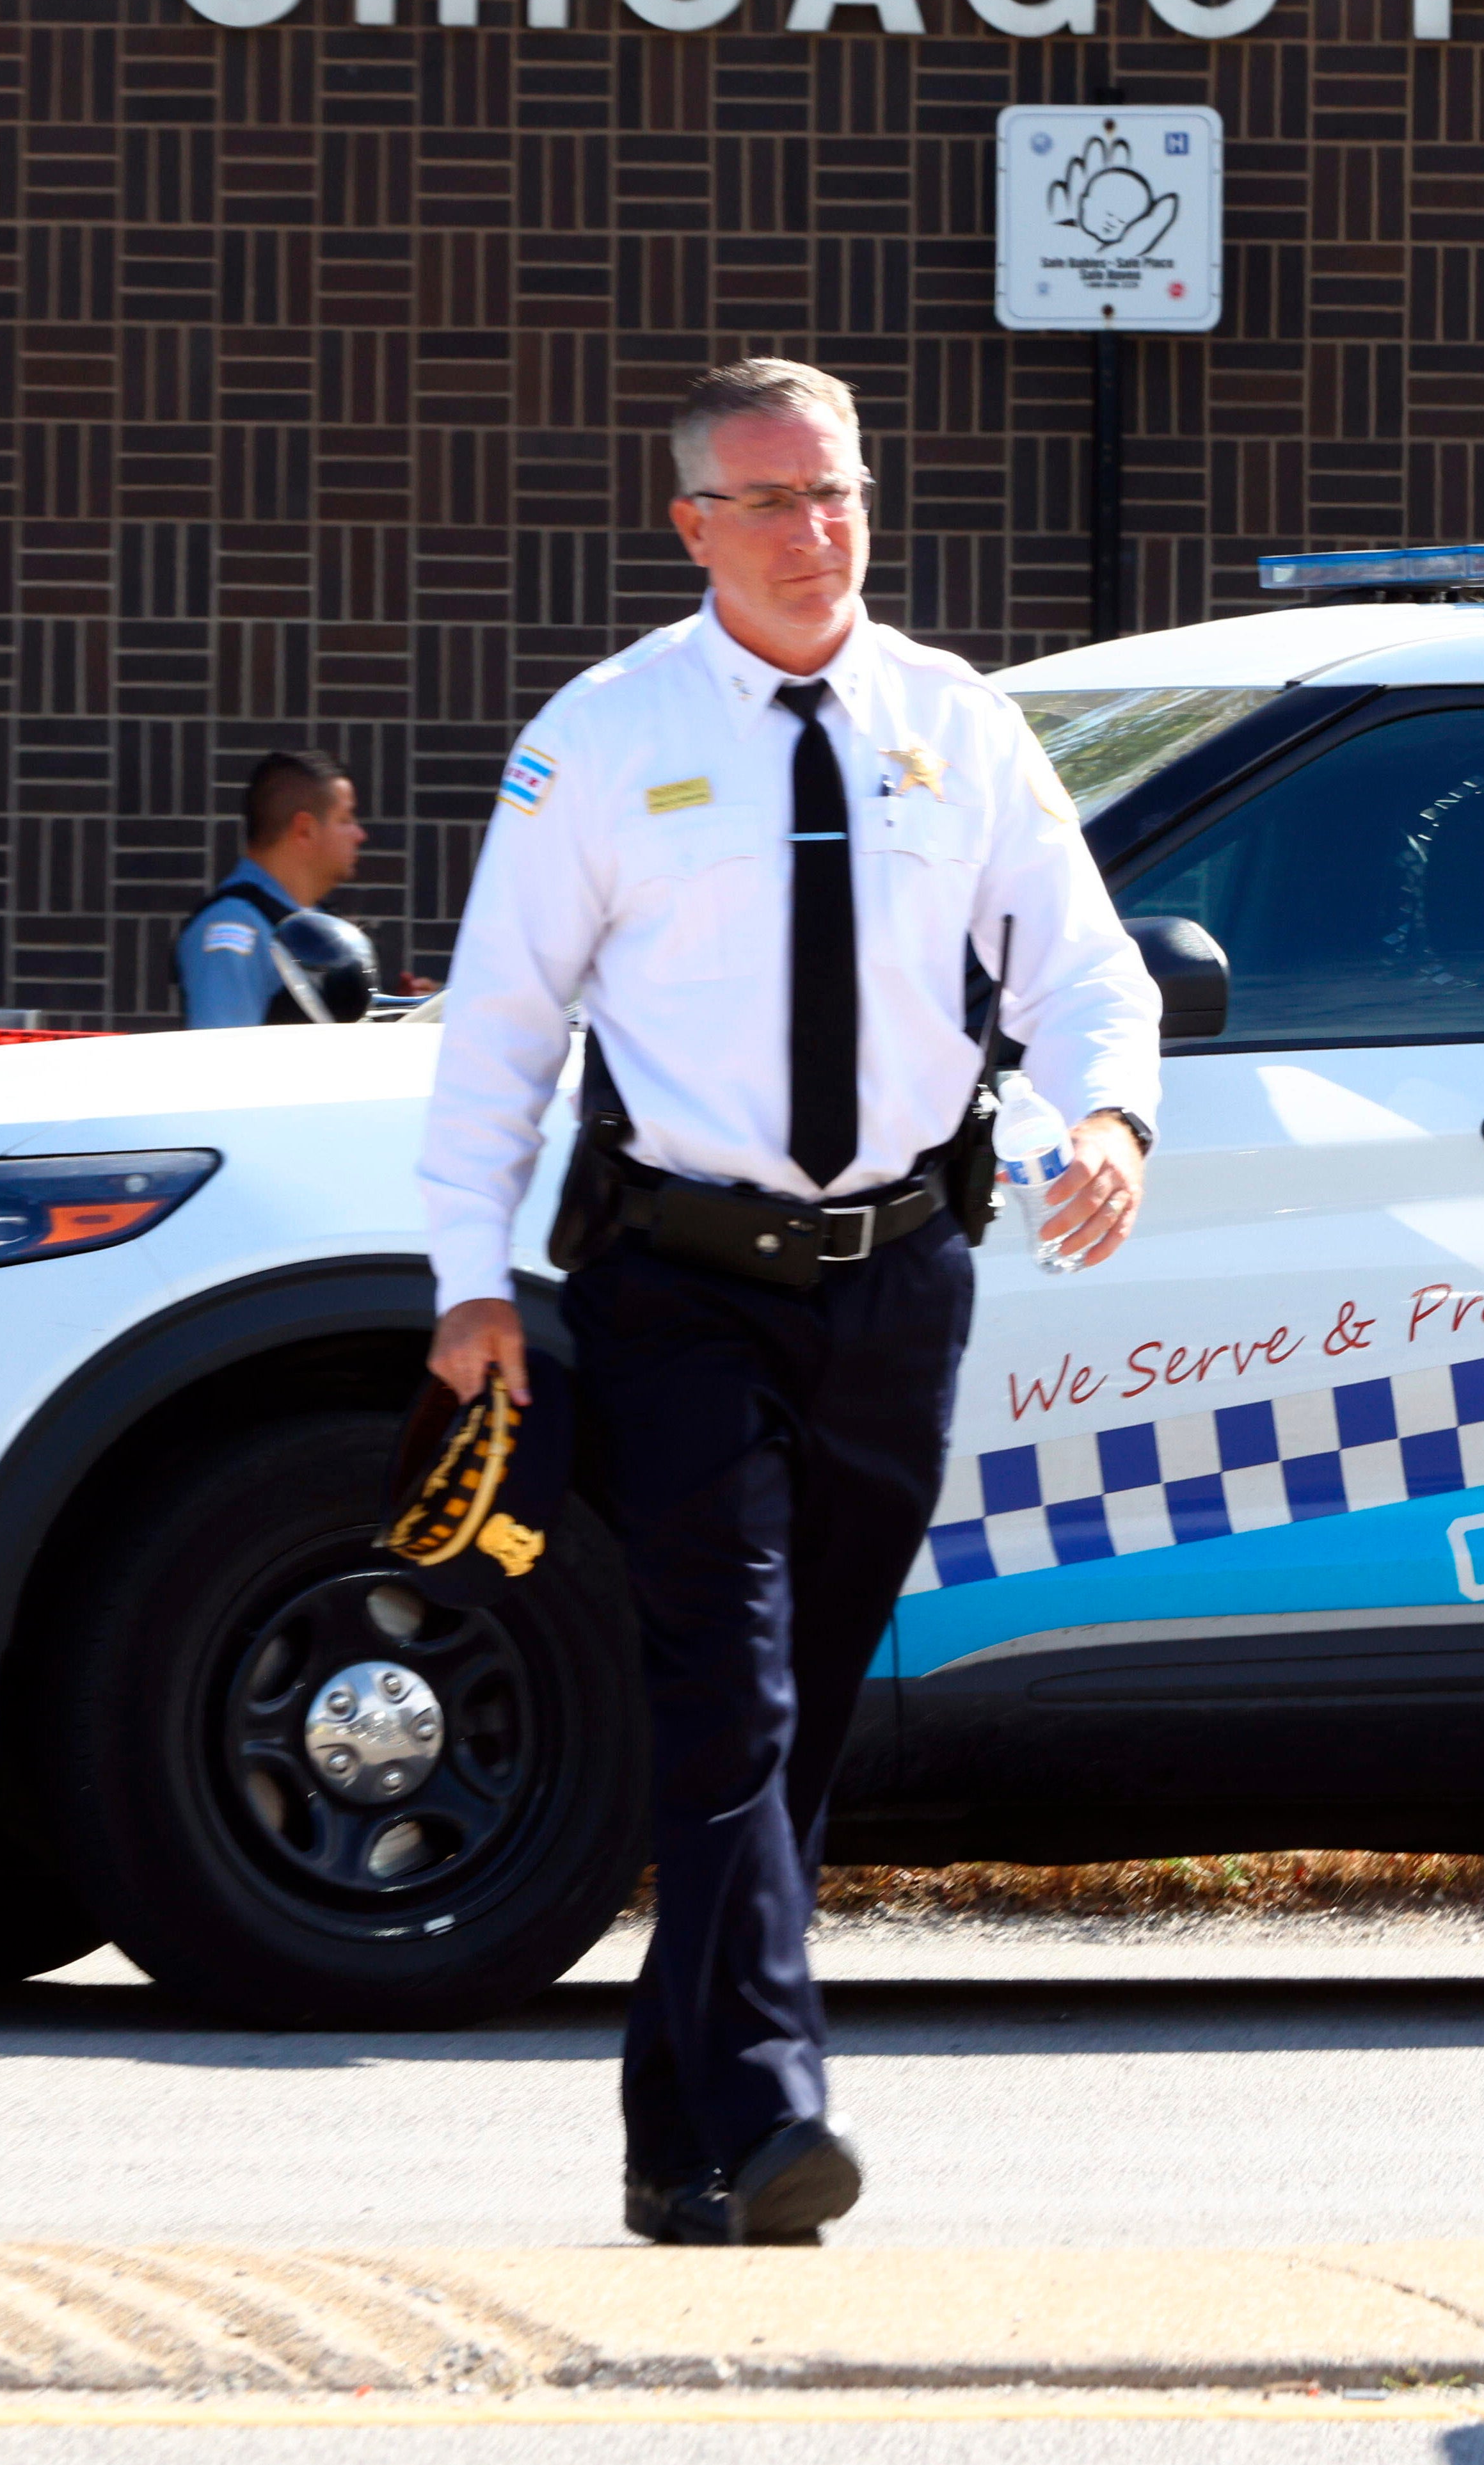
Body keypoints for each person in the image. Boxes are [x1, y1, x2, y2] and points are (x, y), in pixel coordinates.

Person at [419, 358, 1161, 2247]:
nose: (815, 530)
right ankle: (772, 2109)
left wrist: (1110, 1112)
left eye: (836, 490)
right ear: (691, 525)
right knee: (727, 1689)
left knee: (795, 1714)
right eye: (769, 500)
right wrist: (469, 1276)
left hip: (901, 1280)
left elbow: (1084, 968)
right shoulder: (603, 735)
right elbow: (502, 1020)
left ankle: (676, 2135)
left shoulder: (954, 721)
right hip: (681, 1280)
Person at [177, 750, 366, 1027]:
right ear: (306, 830)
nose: (360, 835)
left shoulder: (318, 923)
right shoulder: (232, 929)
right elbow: (221, 1060)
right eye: (346, 820)